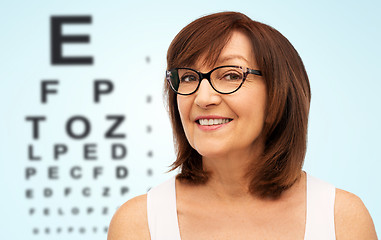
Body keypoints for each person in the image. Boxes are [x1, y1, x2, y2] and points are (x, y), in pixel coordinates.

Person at [107, 12, 377, 239]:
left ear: (278, 95)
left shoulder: (342, 219)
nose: (203, 98)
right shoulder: (138, 224)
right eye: (188, 77)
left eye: (231, 75)